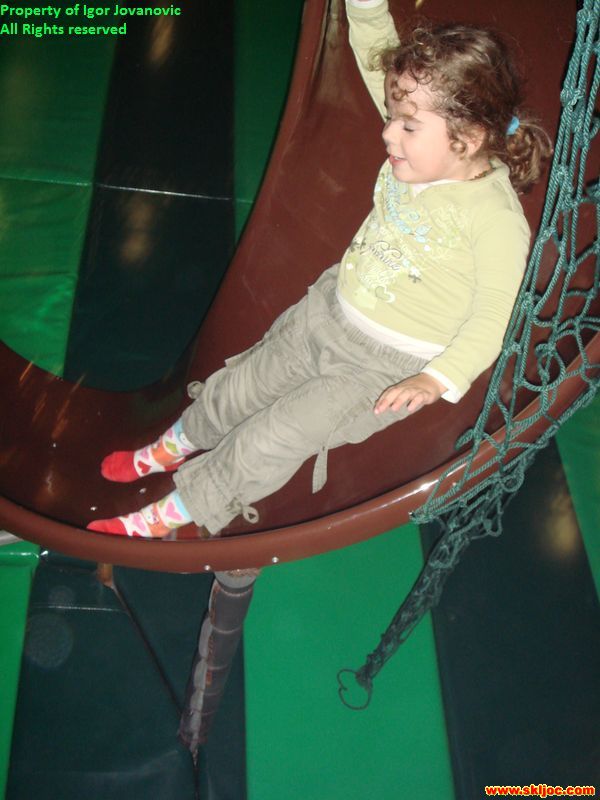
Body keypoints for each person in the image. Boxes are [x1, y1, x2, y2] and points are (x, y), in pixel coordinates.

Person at [88, 0, 552, 539]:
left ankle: (174, 512)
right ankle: (173, 446)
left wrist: (437, 378)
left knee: (273, 438)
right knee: (240, 387)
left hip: (380, 369)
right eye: (392, 117)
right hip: (327, 313)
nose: (388, 135)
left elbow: (495, 314)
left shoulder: (494, 217)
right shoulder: (432, 140)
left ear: (466, 139)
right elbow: (374, 45)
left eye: (407, 127)